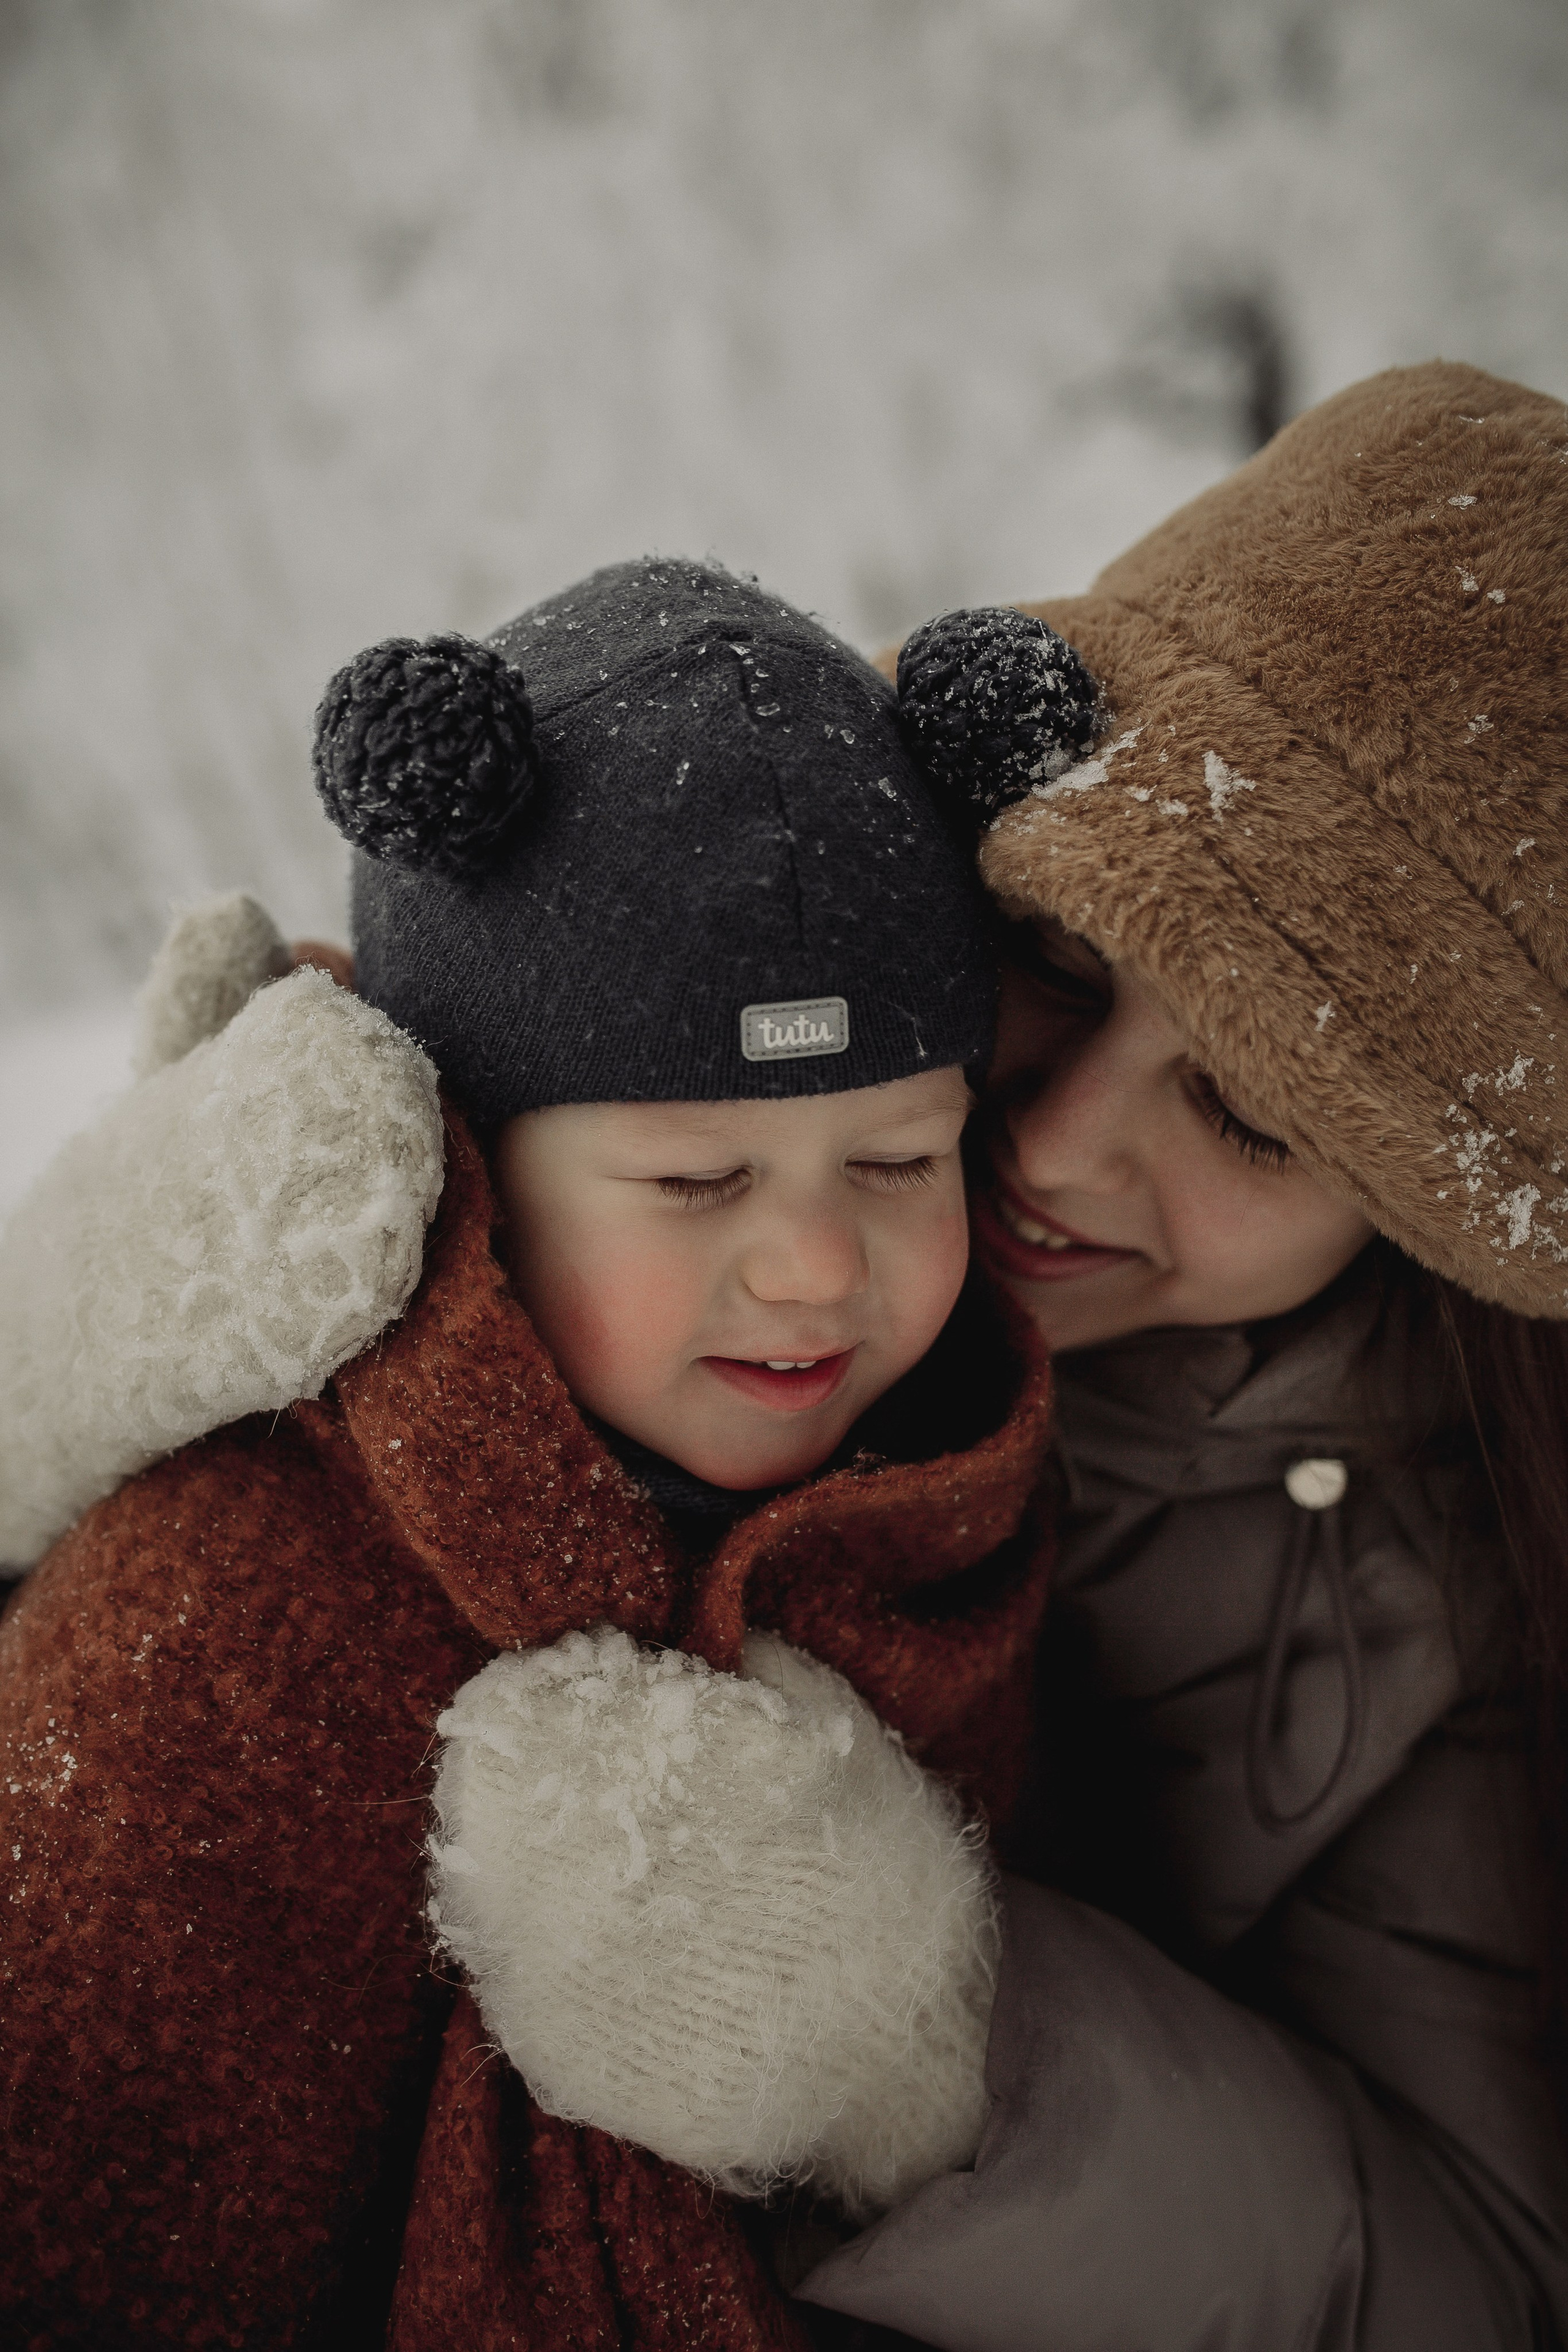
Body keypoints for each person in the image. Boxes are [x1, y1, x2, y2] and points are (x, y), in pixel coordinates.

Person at [5, 358, 1567, 2348]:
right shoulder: (652, 1187)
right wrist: (77, 1360)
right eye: (1062, 970)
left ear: (1427, 1198)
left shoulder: (1456, 1590)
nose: (1057, 1148)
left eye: (1257, 1117)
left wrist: (923, 2059)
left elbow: (1481, 2279)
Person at [0, 557, 1076, 2347]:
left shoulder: (962, 1501)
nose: (817, 1263)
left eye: (898, 1163)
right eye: (693, 1180)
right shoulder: (227, 1613)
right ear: (475, 1164)